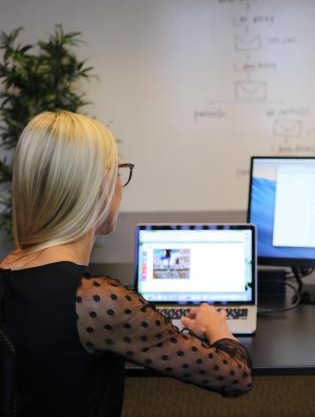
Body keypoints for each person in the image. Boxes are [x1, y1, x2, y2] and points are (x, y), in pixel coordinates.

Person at [0, 111, 252, 417]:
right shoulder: (95, 302)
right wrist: (218, 329)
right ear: (101, 187)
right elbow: (236, 377)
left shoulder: (8, 273)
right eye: (119, 171)